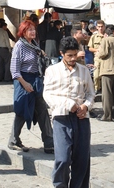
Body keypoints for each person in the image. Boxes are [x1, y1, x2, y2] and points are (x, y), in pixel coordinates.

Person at [43, 36, 95, 188]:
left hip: (81, 119)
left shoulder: (84, 71)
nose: (73, 58)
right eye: (69, 55)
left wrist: (86, 106)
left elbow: (91, 94)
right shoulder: (52, 71)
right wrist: (68, 104)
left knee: (82, 159)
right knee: (63, 158)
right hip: (61, 118)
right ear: (62, 54)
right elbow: (47, 95)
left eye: (75, 54)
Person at [8, 20, 54, 153]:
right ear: (23, 32)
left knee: (42, 111)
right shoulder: (19, 46)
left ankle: (49, 142)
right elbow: (14, 70)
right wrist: (25, 84)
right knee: (23, 111)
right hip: (23, 80)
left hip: (36, 79)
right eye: (30, 30)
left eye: (34, 29)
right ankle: (13, 140)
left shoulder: (34, 44)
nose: (33, 32)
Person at [97, 24, 114, 122]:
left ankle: (107, 115)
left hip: (108, 70)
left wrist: (98, 52)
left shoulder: (105, 40)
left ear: (106, 34)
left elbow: (103, 53)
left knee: (106, 94)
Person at [88, 20, 106, 93]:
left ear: (104, 27)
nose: (100, 28)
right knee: (96, 75)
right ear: (96, 27)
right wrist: (97, 50)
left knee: (104, 76)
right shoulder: (94, 37)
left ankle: (103, 89)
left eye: (102, 26)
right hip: (97, 58)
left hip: (106, 59)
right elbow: (90, 48)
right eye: (99, 27)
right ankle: (96, 88)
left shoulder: (107, 36)